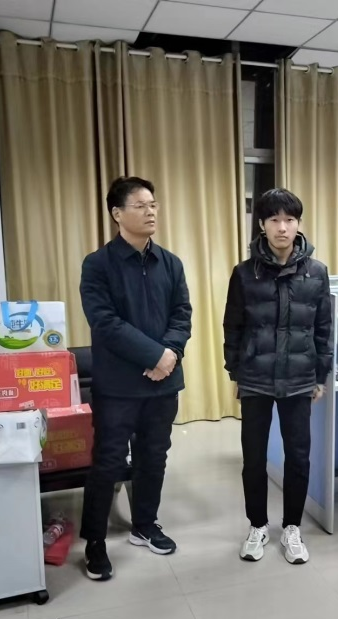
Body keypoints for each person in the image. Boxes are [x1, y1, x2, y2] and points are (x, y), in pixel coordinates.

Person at [79, 176, 192, 582]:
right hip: (118, 386)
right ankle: (94, 541)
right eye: (141, 206)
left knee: (153, 457)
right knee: (108, 462)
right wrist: (154, 355)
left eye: (153, 205)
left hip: (163, 382)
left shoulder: (170, 263)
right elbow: (105, 322)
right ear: (117, 213)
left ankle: (145, 524)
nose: (150, 212)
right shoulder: (98, 264)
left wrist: (170, 354)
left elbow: (182, 313)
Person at [223, 188, 333, 565]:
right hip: (255, 378)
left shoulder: (317, 272)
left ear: (298, 224)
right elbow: (233, 326)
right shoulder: (244, 273)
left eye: (289, 219)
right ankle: (257, 525)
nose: (282, 227)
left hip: (300, 379)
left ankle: (292, 528)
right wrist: (236, 372)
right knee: (253, 458)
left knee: (298, 457)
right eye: (274, 219)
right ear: (262, 224)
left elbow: (323, 329)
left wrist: (320, 376)